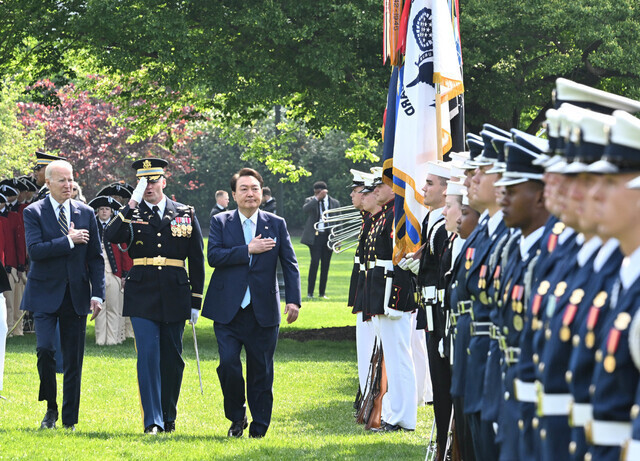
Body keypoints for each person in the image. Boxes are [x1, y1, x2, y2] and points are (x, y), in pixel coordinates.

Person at [105, 158, 205, 434]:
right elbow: (111, 235)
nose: (147, 186)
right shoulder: (132, 213)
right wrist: (131, 203)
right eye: (142, 182)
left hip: (175, 292)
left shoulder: (185, 212)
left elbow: (196, 259)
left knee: (172, 359)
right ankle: (153, 421)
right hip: (142, 293)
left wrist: (196, 300)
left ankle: (168, 415)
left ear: (164, 181)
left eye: (152, 180)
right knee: (147, 355)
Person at [202, 167, 301, 438]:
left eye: (254, 189)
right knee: (229, 365)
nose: (250, 194)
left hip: (263, 310)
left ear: (261, 193)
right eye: (244, 189)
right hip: (227, 311)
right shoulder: (221, 222)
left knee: (261, 371)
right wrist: (247, 249)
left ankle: (259, 428)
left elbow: (290, 264)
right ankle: (237, 416)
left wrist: (293, 300)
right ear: (234, 195)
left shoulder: (276, 223)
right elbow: (214, 257)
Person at [20, 159, 105, 431]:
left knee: (73, 360)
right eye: (62, 180)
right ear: (48, 183)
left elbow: (95, 258)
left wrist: (98, 295)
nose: (68, 185)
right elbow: (35, 251)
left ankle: (69, 419)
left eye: (70, 179)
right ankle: (51, 408)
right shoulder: (33, 212)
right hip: (44, 293)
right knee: (45, 350)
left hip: (76, 295)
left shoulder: (86, 212)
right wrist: (68, 240)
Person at [89, 195, 132, 345]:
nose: (104, 212)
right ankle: (100, 340)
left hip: (114, 273)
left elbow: (124, 252)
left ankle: (112, 340)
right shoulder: (92, 225)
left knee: (114, 308)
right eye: (101, 209)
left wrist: (125, 274)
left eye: (107, 209)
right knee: (99, 307)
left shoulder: (118, 227)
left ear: (112, 211)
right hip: (98, 274)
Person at [301, 181, 340, 299]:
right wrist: (317, 198)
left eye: (319, 192)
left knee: (325, 265)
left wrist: (338, 239)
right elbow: (305, 209)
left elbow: (338, 221)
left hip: (328, 237)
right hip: (315, 237)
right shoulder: (311, 201)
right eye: (315, 192)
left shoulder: (334, 203)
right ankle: (310, 293)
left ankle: (322, 293)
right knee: (314, 263)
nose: (316, 194)